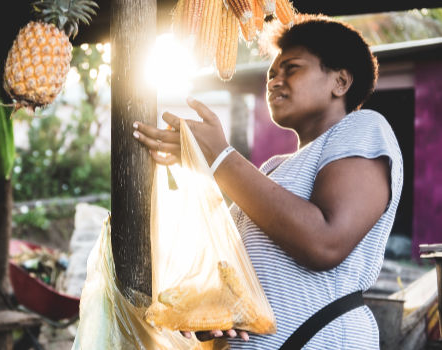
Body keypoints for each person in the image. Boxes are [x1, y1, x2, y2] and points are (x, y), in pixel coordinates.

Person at [132, 14, 403, 349]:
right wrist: (213, 315)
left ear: (340, 82)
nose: (274, 80)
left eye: (292, 68)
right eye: (272, 73)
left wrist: (220, 159)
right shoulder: (272, 170)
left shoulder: (363, 127)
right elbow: (239, 278)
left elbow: (325, 242)